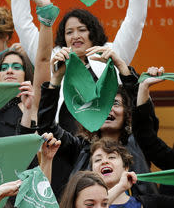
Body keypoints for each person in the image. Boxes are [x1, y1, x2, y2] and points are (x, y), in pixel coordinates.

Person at [11, 0, 149, 133]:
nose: (75, 36)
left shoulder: (112, 54)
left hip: (107, 148)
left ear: (93, 32)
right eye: (69, 32)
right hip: (65, 147)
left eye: (82, 29)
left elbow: (134, 21)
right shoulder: (54, 58)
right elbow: (23, 23)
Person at [37, 47, 155, 197]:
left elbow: (144, 113)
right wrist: (56, 78)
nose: (107, 110)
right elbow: (46, 128)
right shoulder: (80, 148)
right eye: (101, 105)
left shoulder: (142, 141)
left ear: (128, 113)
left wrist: (122, 68)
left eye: (115, 104)